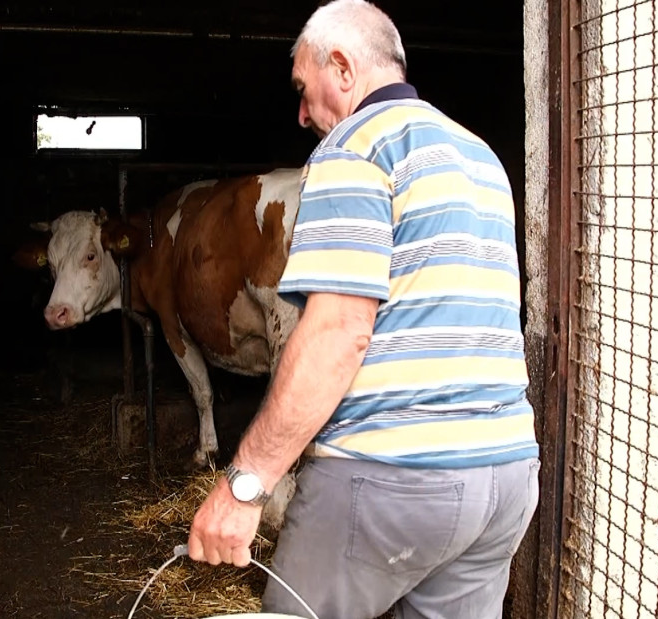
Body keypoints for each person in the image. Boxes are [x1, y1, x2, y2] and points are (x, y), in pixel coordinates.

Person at [187, 1, 540, 617]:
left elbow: (339, 333)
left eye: (303, 88)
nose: (301, 115)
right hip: (505, 476)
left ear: (343, 68)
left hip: (390, 481)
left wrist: (245, 488)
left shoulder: (355, 149)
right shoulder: (480, 155)